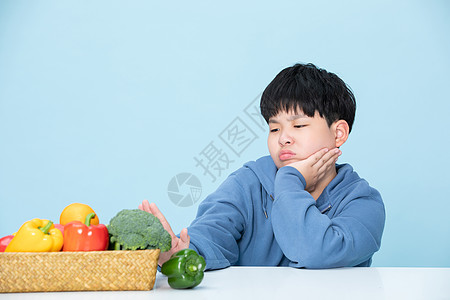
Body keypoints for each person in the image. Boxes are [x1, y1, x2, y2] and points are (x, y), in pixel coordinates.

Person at [139, 63, 385, 270]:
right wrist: (180, 252)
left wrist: (289, 180)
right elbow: (212, 233)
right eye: (274, 128)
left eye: (298, 126)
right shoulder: (248, 183)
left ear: (339, 133)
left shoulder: (363, 203)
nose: (283, 138)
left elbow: (314, 253)